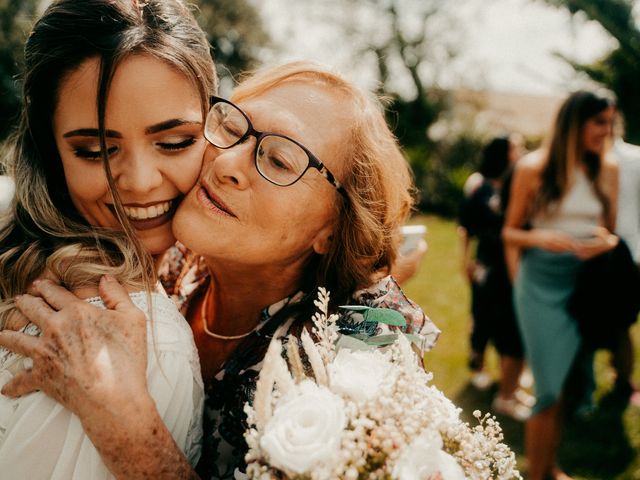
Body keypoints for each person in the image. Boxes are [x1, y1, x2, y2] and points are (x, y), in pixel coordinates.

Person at [0, 61, 439, 479]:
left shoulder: (366, 360)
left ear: (334, 226)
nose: (226, 163)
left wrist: (129, 432)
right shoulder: (172, 263)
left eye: (280, 161)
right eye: (232, 128)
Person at [0, 0, 218, 477]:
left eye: (175, 141)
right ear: (51, 153)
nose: (140, 182)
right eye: (96, 150)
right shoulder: (135, 343)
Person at [503, 90, 619, 480]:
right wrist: (542, 239)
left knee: (565, 384)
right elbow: (509, 232)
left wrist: (606, 243)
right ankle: (537, 474)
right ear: (575, 123)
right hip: (539, 284)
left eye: (610, 122)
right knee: (548, 389)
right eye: (599, 122)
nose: (608, 130)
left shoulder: (608, 169)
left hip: (583, 283)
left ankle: (549, 465)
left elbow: (611, 232)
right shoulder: (532, 168)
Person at [458, 135, 531, 421]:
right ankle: (479, 366)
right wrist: (465, 260)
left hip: (512, 264)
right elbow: (466, 227)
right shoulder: (480, 186)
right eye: (516, 148)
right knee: (482, 316)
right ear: (503, 154)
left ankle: (508, 382)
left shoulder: (519, 183)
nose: (521, 151)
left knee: (508, 323)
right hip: (488, 265)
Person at [611, 136, 640, 405]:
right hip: (584, 252)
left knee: (621, 323)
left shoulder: (634, 158)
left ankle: (623, 381)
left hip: (629, 253)